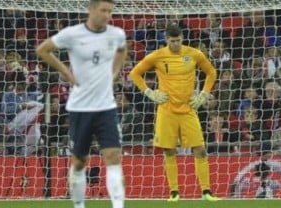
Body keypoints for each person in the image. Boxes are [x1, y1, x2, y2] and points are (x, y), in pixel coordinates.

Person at [36, 1, 127, 208]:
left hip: (106, 107)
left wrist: (114, 73)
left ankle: (118, 206)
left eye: (110, 11)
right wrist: (66, 72)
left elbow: (122, 50)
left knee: (113, 156)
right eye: (103, 10)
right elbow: (43, 50)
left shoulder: (116, 34)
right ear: (91, 9)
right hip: (80, 108)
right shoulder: (72, 34)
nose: (107, 15)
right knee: (79, 162)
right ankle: (78, 205)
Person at [130, 24, 220, 202]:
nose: (176, 44)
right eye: (172, 41)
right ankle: (174, 192)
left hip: (188, 109)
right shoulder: (158, 55)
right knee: (169, 151)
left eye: (178, 40)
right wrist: (150, 93)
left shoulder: (194, 54)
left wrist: (203, 94)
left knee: (200, 150)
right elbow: (135, 73)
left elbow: (211, 72)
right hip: (167, 109)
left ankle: (206, 192)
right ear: (166, 40)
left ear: (182, 39)